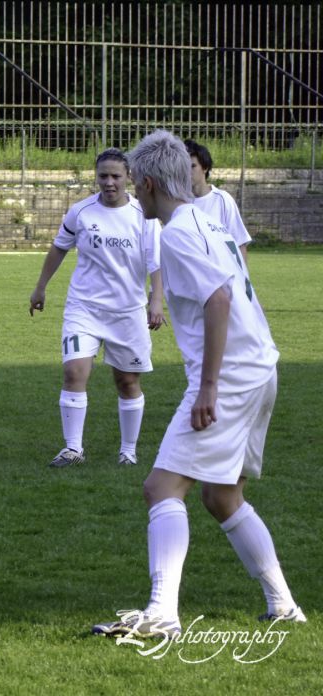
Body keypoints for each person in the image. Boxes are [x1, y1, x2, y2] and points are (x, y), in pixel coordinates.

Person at [92, 130, 304, 640]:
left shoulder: (180, 233)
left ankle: (162, 612)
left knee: (161, 487)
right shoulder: (208, 223)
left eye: (136, 186)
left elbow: (219, 301)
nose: (135, 195)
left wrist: (208, 388)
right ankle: (283, 606)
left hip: (229, 378)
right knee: (222, 497)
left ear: (145, 183)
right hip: (259, 370)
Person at [30, 148, 165, 468]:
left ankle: (128, 451)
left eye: (116, 176)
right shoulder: (80, 212)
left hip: (128, 312)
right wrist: (40, 287)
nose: (109, 182)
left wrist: (155, 300)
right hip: (84, 309)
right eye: (102, 175)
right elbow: (59, 248)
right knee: (74, 371)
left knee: (127, 382)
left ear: (128, 177)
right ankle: (73, 449)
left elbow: (157, 264)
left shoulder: (143, 217)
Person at [184, 139, 252, 262]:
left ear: (204, 168)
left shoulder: (222, 200)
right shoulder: (180, 203)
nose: (188, 172)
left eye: (193, 166)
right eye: (184, 167)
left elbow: (239, 243)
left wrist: (243, 279)